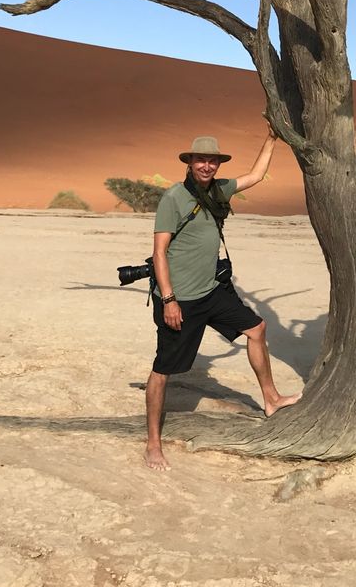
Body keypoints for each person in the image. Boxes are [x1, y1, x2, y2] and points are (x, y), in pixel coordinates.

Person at [144, 130, 299, 470]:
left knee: (257, 328)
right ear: (190, 162)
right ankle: (153, 443)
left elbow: (256, 176)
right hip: (180, 298)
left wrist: (272, 139)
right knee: (162, 370)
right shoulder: (174, 197)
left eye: (212, 160)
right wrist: (169, 300)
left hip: (211, 291)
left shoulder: (218, 189)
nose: (207, 165)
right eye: (201, 159)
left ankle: (271, 400)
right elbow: (159, 253)